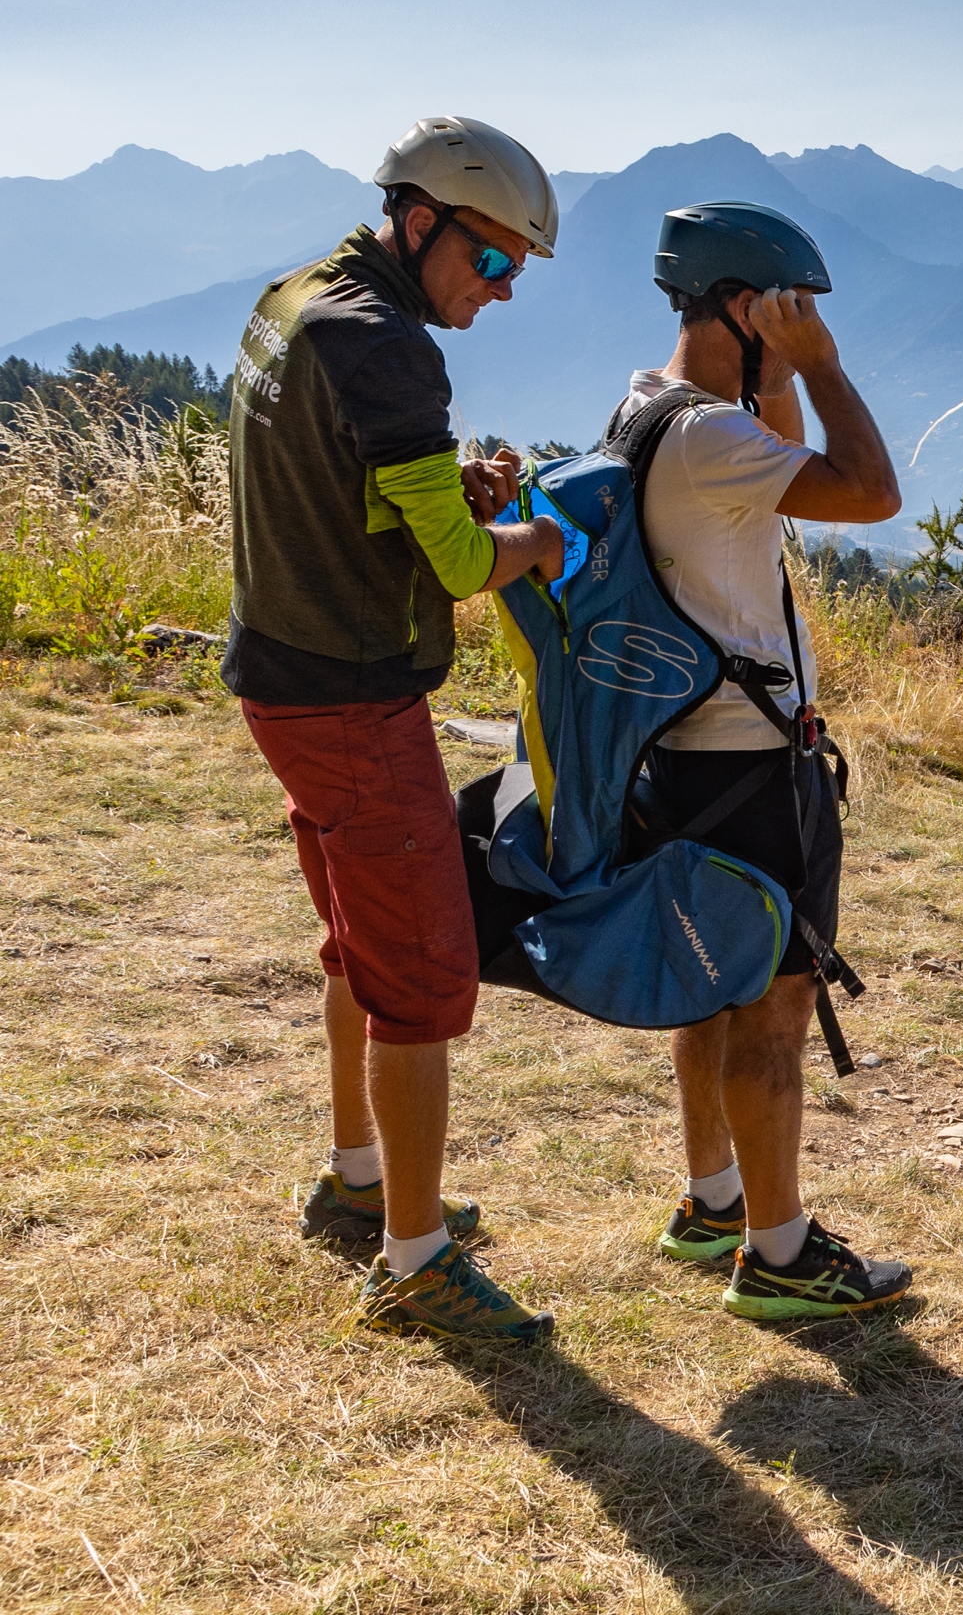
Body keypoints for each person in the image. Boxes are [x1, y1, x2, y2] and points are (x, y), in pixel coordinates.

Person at [233, 116, 567, 1340]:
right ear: (420, 220)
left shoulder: (296, 299)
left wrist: (440, 487)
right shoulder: (386, 350)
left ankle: (360, 1175)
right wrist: (530, 540)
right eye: (491, 260)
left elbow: (350, 486)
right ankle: (415, 1262)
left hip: (280, 677)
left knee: (358, 946)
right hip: (353, 694)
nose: (505, 287)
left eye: (519, 269)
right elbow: (470, 561)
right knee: (423, 974)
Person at [618, 201, 913, 1319]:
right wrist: (825, 366)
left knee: (711, 988)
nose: (806, 326)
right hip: (753, 763)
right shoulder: (711, 440)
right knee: (774, 1008)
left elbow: (776, 453)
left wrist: (772, 365)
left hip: (685, 756)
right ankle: (780, 1254)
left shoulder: (650, 407)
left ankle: (713, 1202)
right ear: (747, 305)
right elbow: (870, 491)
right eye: (789, 309)